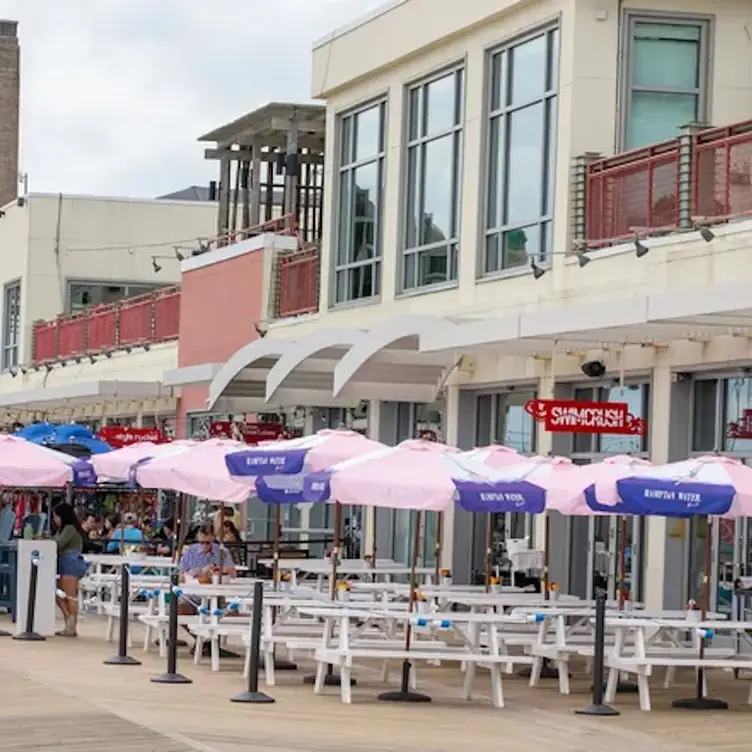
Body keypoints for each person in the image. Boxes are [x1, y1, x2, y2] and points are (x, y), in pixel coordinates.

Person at [178, 524, 236, 654]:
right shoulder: (190, 552)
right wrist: (192, 573)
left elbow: (233, 573)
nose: (204, 546)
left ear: (213, 539)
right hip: (193, 594)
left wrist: (217, 569)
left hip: (217, 594)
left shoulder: (222, 552)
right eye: (201, 543)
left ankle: (210, 642)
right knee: (180, 608)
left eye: (208, 543)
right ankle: (201, 640)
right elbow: (180, 576)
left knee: (232, 611)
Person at [52, 502, 88, 637]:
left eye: (56, 516)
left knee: (69, 596)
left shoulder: (69, 529)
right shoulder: (65, 529)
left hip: (70, 563)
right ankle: (69, 621)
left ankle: (70, 625)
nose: (54, 519)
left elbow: (58, 544)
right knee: (61, 593)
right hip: (68, 562)